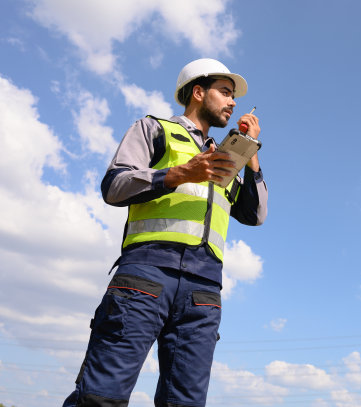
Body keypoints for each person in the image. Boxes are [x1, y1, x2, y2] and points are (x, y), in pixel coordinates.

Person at [63, 58, 268, 407]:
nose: (232, 102)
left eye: (234, 96)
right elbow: (114, 186)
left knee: (184, 403)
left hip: (203, 291)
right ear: (199, 93)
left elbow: (256, 214)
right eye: (225, 92)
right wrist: (181, 174)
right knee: (100, 397)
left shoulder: (223, 156)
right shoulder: (153, 128)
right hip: (145, 275)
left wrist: (250, 157)